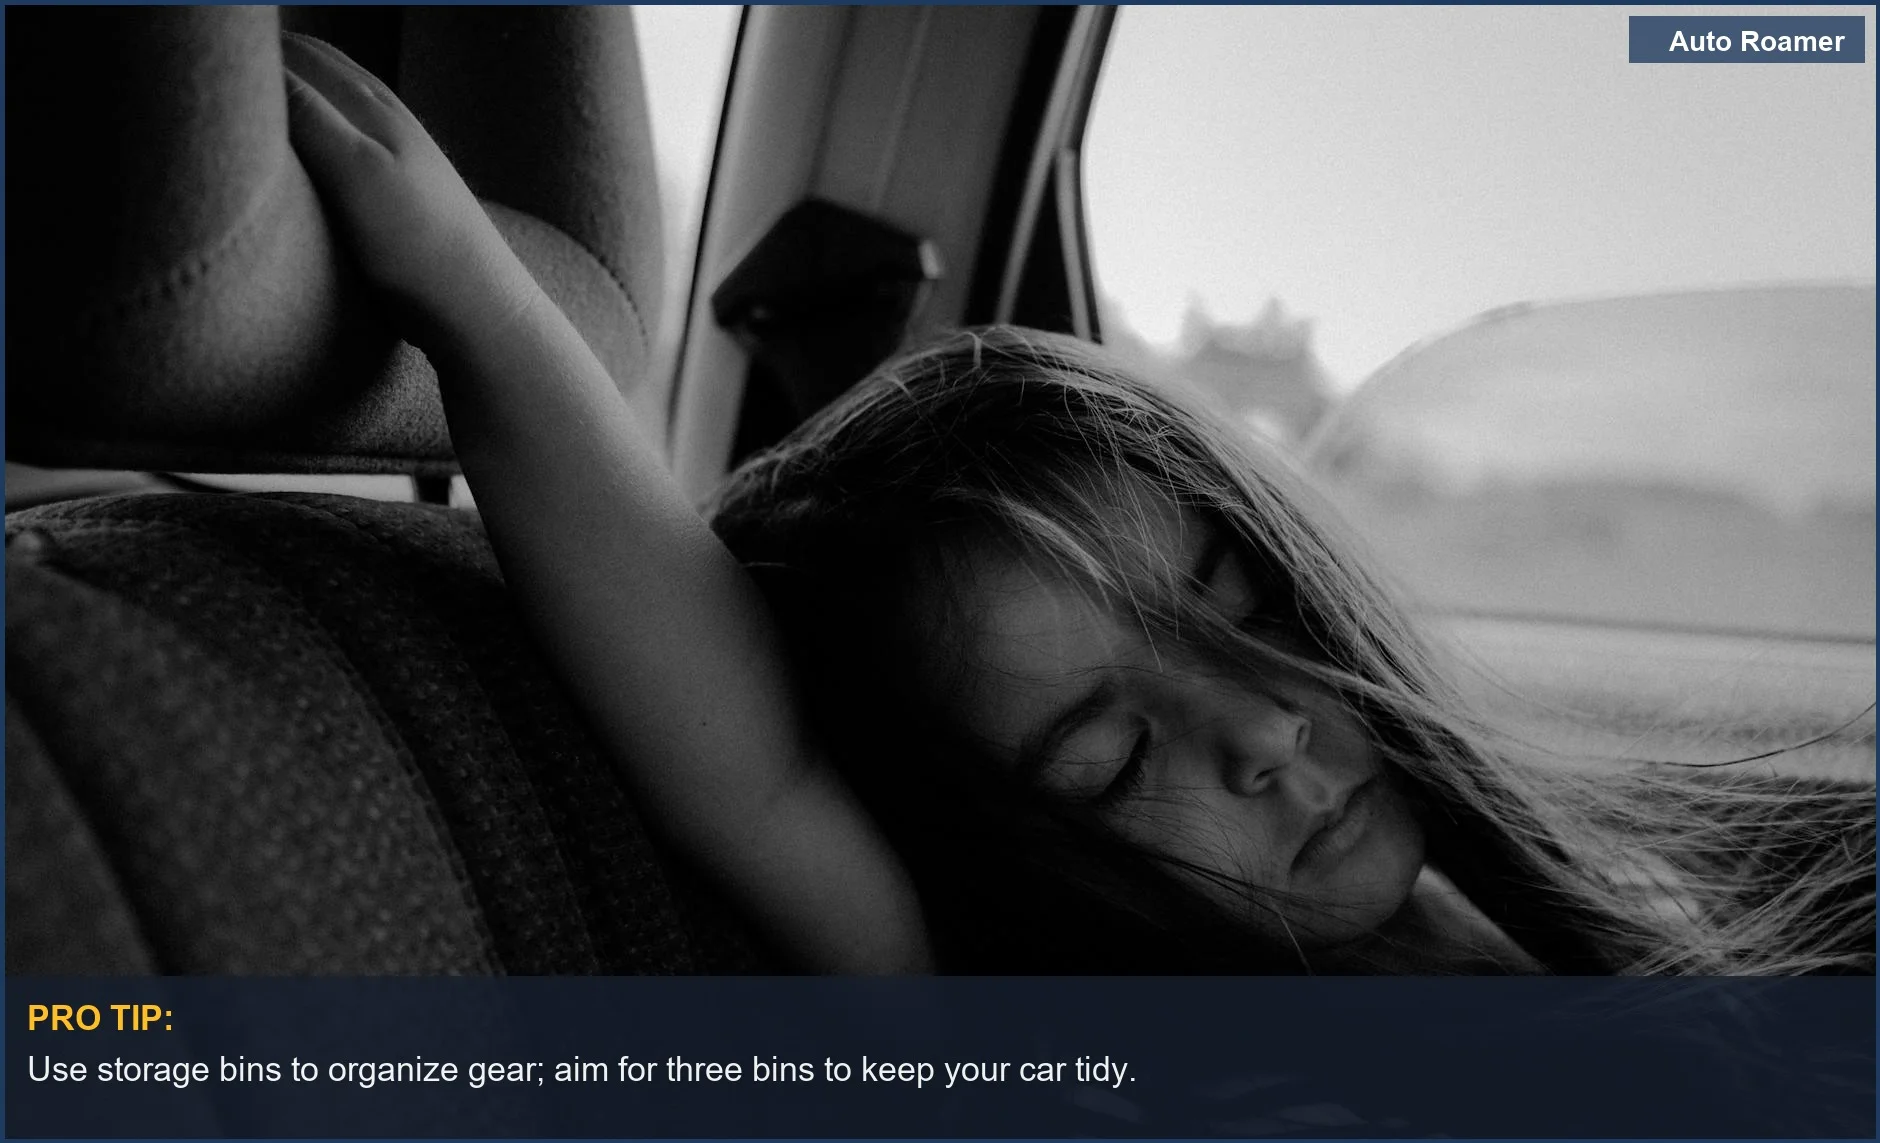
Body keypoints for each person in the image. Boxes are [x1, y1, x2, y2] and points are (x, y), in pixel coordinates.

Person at [283, 36, 1875, 976]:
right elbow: (751, 768)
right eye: (1111, 760)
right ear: (1002, 852)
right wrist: (482, 295)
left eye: (1244, 606)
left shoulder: (1589, 893)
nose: (1265, 732)